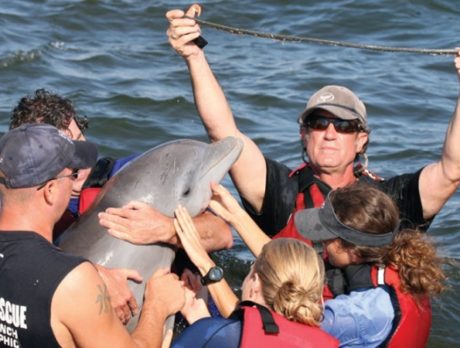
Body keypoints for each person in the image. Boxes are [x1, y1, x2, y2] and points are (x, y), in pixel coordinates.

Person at [164, 6, 460, 295]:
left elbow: (452, 170)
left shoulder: (388, 200)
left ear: (361, 140)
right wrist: (194, 55)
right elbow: (223, 133)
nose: (330, 133)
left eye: (344, 126)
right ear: (304, 134)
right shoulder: (280, 190)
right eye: (319, 123)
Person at [9, 88, 233, 323]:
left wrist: (167, 228)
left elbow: (223, 235)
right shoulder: (30, 206)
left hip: (188, 311)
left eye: (77, 140)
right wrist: (93, 275)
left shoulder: (126, 177)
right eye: (60, 151)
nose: (78, 158)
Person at [0, 123, 185, 347]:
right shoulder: (71, 280)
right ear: (50, 191)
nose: (76, 183)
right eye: (73, 175)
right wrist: (158, 306)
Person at [294, 184, 445, 347]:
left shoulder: (354, 313)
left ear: (353, 250)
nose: (321, 241)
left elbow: (285, 334)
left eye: (327, 237)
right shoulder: (406, 267)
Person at [171, 204, 338, 348]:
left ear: (255, 283)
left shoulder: (210, 334)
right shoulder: (330, 339)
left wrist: (201, 326)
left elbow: (231, 335)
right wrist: (202, 319)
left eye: (251, 270)